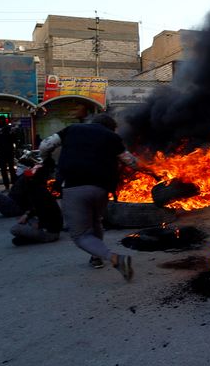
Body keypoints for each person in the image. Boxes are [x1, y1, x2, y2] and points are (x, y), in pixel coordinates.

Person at [39, 113, 152, 281]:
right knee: (96, 221)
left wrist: (45, 160)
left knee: (80, 235)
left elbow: (45, 145)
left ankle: (115, 259)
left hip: (74, 187)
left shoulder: (73, 129)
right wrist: (151, 171)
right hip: (101, 189)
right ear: (110, 127)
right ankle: (96, 257)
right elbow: (131, 162)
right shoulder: (112, 137)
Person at [0, 115, 17, 188]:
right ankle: (10, 184)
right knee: (8, 169)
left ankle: (9, 185)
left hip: (5, 152)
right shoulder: (6, 129)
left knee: (7, 169)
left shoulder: (6, 130)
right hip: (7, 152)